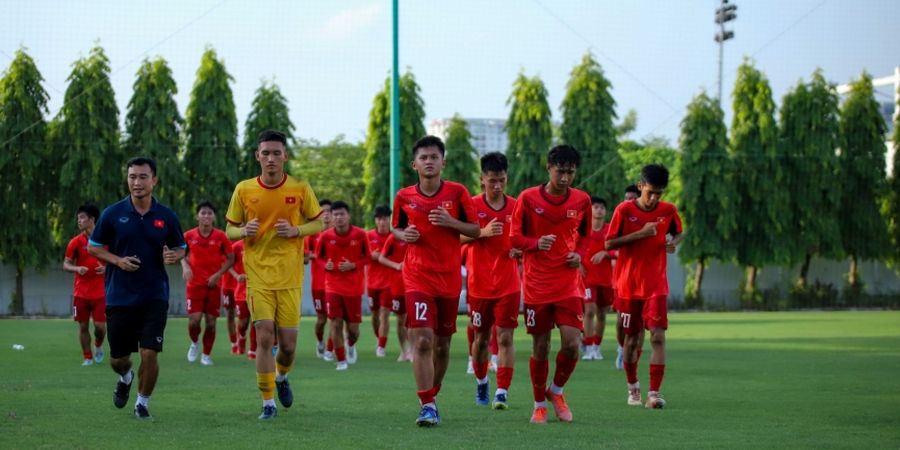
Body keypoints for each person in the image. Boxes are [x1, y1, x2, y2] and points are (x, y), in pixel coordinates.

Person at [225, 129, 323, 420]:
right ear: (257, 156)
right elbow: (229, 230)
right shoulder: (244, 189)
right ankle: (268, 403)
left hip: (290, 278)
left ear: (285, 156)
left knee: (289, 348)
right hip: (258, 277)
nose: (270, 158)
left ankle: (281, 377)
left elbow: (318, 223)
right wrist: (243, 231)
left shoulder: (300, 188)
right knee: (264, 337)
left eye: (276, 153)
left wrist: (297, 230)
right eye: (265, 153)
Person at [88, 157, 186, 420]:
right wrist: (118, 261)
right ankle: (126, 377)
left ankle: (142, 403)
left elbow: (180, 247)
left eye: (143, 177)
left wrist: (175, 256)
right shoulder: (112, 214)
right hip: (119, 296)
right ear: (127, 179)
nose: (137, 182)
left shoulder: (166, 216)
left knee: (150, 353)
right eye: (132, 177)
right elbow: (93, 247)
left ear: (154, 180)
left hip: (155, 295)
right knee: (119, 359)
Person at [391, 135, 480, 426]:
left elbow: (476, 230)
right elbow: (396, 228)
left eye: (434, 157)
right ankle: (427, 404)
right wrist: (406, 236)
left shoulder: (457, 193)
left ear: (444, 161)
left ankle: (432, 395)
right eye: (423, 157)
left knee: (443, 346)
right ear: (414, 164)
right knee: (424, 341)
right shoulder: (404, 196)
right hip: (417, 277)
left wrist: (451, 223)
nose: (429, 161)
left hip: (449, 280)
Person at [509, 144, 591, 424]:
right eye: (560, 171)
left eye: (570, 172)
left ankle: (556, 391)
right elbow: (514, 238)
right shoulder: (528, 198)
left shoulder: (582, 200)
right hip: (537, 285)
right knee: (540, 346)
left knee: (572, 343)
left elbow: (586, 236)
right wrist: (535, 244)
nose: (565, 178)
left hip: (569, 283)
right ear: (549, 168)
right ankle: (538, 404)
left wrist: (578, 254)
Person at [606, 164, 683, 409]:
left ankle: (654, 393)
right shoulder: (624, 210)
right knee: (631, 341)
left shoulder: (668, 210)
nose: (654, 198)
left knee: (658, 337)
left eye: (659, 193)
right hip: (629, 286)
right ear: (640, 186)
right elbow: (609, 243)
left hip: (656, 286)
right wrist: (639, 234)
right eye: (650, 192)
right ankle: (633, 388)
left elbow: (678, 232)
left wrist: (672, 241)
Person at [461, 152, 521, 409]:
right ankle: (483, 381)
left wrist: (522, 249)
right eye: (492, 180)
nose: (497, 186)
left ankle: (502, 391)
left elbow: (526, 239)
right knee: (481, 339)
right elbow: (455, 239)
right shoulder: (471, 206)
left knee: (506, 338)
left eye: (502, 180)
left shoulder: (517, 206)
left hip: (509, 284)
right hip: (479, 285)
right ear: (482, 179)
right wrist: (482, 233)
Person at [316, 201, 370, 370]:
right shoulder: (325, 237)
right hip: (332, 287)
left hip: (354, 288)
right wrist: (325, 265)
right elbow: (318, 257)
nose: (339, 217)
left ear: (348, 216)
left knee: (353, 330)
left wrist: (353, 265)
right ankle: (341, 360)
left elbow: (368, 257)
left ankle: (351, 345)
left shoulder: (360, 234)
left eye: (342, 214)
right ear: (331, 217)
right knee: (335, 323)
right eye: (336, 214)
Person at [181, 200, 235, 366]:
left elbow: (231, 258)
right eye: (203, 213)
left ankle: (206, 355)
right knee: (194, 321)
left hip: (214, 286)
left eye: (209, 213)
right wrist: (185, 266)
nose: (206, 216)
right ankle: (195, 342)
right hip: (194, 285)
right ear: (197, 216)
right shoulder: (189, 236)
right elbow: (179, 253)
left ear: (214, 217)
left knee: (211, 323)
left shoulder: (221, 237)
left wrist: (218, 275)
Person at [64, 203, 107, 366]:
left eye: (82, 217)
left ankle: (98, 345)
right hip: (80, 293)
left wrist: (106, 268)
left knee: (100, 328)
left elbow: (117, 260)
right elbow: (65, 264)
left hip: (101, 292)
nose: (79, 221)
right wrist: (77, 267)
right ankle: (87, 357)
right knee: (83, 327)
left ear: (92, 219)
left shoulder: (106, 239)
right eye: (78, 218)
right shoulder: (75, 242)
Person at [582, 196, 615, 361]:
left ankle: (596, 347)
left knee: (602, 314)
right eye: (596, 207)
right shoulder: (583, 230)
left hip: (606, 280)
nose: (599, 210)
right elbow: (573, 249)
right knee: (589, 311)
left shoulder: (610, 231)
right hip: (588, 279)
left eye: (602, 207)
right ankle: (587, 348)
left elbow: (619, 251)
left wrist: (606, 253)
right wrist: (579, 265)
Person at [614, 184, 641, 370]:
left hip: (644, 280)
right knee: (621, 320)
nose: (628, 201)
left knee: (641, 324)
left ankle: (632, 358)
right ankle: (621, 348)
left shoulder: (646, 221)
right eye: (626, 197)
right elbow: (609, 243)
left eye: (632, 198)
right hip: (622, 279)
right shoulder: (620, 219)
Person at [304, 199, 333, 359]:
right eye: (323, 212)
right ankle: (321, 341)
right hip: (318, 284)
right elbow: (305, 258)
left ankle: (330, 349)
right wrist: (316, 256)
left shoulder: (339, 233)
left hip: (336, 284)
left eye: (329, 211)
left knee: (335, 319)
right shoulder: (312, 235)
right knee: (321, 319)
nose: (326, 215)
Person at [377, 232, 411, 361]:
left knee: (415, 320)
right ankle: (404, 350)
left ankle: (413, 349)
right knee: (401, 319)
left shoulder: (418, 233)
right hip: (398, 285)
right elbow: (381, 257)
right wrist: (396, 265)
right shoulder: (394, 237)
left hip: (416, 283)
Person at [367, 205, 394, 357]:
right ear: (375, 221)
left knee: (384, 314)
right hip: (372, 282)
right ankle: (379, 338)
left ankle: (381, 346)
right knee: (374, 315)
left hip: (389, 283)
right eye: (379, 219)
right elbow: (361, 255)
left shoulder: (394, 236)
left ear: (389, 219)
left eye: (385, 218)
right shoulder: (368, 236)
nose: (382, 222)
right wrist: (371, 255)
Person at [229, 239, 254, 358]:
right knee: (243, 322)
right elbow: (228, 264)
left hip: (258, 289)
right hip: (241, 291)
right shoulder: (237, 246)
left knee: (256, 321)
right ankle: (242, 336)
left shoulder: (261, 243)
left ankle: (253, 350)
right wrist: (236, 275)